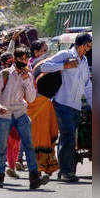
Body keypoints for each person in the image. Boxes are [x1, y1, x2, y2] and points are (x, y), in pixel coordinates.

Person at [0, 47, 49, 189]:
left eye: (25, 59)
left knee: (29, 144)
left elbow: (31, 98)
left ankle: (34, 177)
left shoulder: (27, 76)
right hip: (4, 113)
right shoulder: (4, 74)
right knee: (2, 146)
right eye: (21, 59)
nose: (23, 62)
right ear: (15, 59)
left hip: (20, 112)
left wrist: (27, 81)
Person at [40, 33, 92, 182]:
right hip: (62, 103)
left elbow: (87, 85)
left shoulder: (83, 61)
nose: (88, 49)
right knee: (68, 135)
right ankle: (65, 171)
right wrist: (64, 65)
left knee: (69, 138)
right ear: (81, 45)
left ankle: (65, 170)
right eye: (88, 46)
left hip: (76, 106)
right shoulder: (65, 54)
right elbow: (45, 66)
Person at [26, 40, 60, 179]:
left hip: (45, 104)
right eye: (44, 50)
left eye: (47, 50)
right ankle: (36, 170)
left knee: (45, 135)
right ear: (36, 52)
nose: (47, 53)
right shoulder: (35, 66)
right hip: (35, 104)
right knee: (37, 138)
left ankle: (43, 167)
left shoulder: (46, 64)